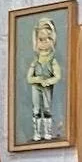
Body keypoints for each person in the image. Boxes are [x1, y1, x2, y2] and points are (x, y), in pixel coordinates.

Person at [25, 16, 62, 144]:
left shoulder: (53, 61)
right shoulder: (35, 62)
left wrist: (48, 81)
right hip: (36, 88)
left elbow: (57, 76)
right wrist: (37, 79)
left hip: (47, 88)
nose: (44, 42)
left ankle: (47, 132)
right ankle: (37, 133)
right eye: (41, 39)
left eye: (48, 39)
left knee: (47, 109)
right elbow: (29, 78)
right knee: (36, 109)